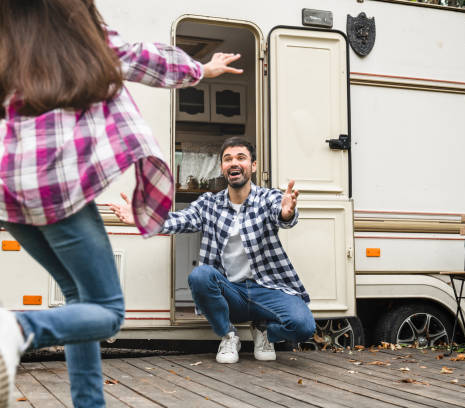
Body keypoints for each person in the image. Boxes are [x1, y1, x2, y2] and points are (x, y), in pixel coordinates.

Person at [0, 1, 242, 407]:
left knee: (78, 298)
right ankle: (15, 329)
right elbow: (142, 58)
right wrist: (203, 69)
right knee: (109, 310)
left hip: (3, 189)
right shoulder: (79, 37)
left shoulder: (8, 50)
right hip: (51, 187)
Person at [111, 137, 316, 364]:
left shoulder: (267, 198)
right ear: (222, 168)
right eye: (228, 159)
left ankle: (266, 331)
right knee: (200, 275)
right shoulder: (208, 203)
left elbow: (282, 213)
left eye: (241, 158)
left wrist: (286, 213)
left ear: (253, 166)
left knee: (304, 326)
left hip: (265, 289)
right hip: (232, 293)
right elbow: (177, 220)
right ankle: (228, 336)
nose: (234, 163)